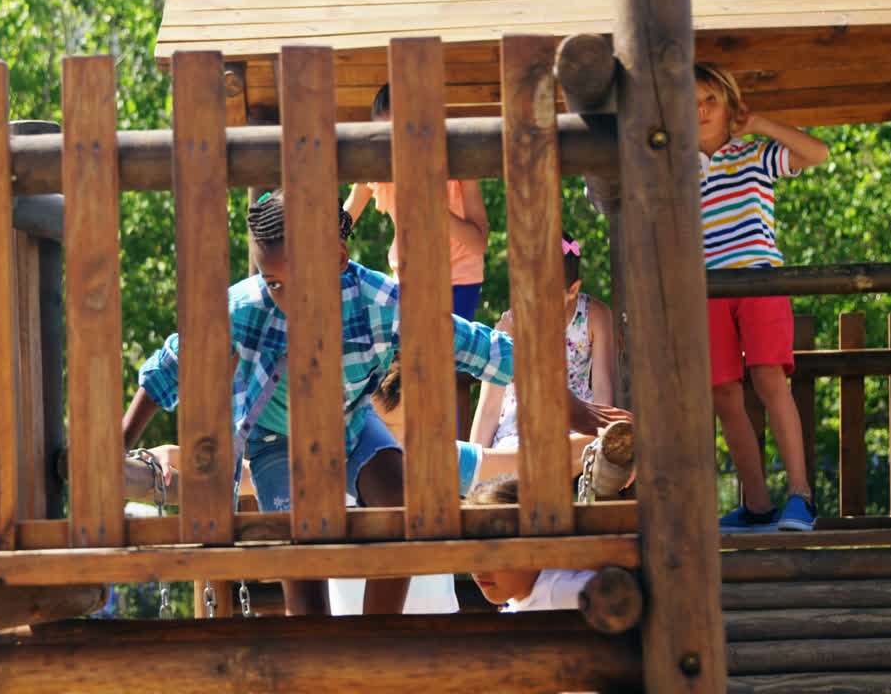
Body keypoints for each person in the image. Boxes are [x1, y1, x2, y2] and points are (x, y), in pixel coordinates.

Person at [123, 191, 626, 617]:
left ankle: (374, 635)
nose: (285, 298)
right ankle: (317, 645)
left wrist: (574, 410)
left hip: (350, 426)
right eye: (273, 283)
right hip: (280, 443)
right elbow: (170, 367)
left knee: (403, 505)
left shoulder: (378, 301)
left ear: (339, 260)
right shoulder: (246, 308)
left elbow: (481, 347)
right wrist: (118, 447)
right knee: (303, 544)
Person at [696, 62, 829, 532]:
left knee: (770, 379)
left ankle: (801, 498)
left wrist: (759, 125)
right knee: (723, 393)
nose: (701, 110)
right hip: (706, 286)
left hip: (757, 278)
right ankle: (756, 505)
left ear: (730, 104)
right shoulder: (673, 167)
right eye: (690, 102)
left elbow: (817, 153)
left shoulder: (752, 153)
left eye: (711, 99)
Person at [344, 83, 490, 438]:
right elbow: (346, 215)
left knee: (440, 369)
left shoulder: (457, 164)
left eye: (402, 134)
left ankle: (446, 464)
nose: (396, 147)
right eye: (385, 135)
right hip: (408, 280)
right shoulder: (379, 168)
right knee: (400, 373)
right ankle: (398, 457)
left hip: (458, 279)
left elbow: (480, 241)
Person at [468, 233, 618, 478]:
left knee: (583, 449)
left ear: (573, 290)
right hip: (520, 425)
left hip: (575, 421)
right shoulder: (512, 325)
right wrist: (475, 469)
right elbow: (489, 408)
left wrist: (603, 436)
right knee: (511, 461)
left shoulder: (595, 317)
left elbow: (602, 387)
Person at [466, 474, 596, 612]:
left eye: (493, 550)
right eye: (470, 550)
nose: (477, 568)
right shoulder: (522, 599)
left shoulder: (562, 593)